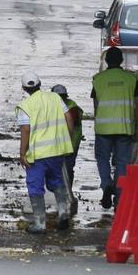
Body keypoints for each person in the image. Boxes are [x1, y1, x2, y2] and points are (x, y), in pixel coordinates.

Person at [17, 72, 76, 234]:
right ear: (40, 83)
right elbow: (69, 118)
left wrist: (22, 154)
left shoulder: (25, 106)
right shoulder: (55, 98)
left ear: (24, 88)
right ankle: (63, 213)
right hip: (56, 151)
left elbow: (26, 130)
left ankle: (39, 223)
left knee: (35, 187)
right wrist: (67, 139)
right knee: (57, 182)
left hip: (37, 155)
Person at [91, 46, 138, 209]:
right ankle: (119, 199)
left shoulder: (98, 79)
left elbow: (96, 105)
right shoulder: (131, 79)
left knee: (102, 158)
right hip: (124, 127)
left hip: (104, 128)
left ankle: (106, 184)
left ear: (106, 61)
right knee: (122, 162)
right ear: (121, 60)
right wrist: (137, 127)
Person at [52, 83, 84, 215]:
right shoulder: (70, 105)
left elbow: (71, 123)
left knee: (66, 168)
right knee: (66, 169)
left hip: (69, 143)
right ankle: (65, 193)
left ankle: (66, 193)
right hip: (68, 143)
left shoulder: (70, 107)